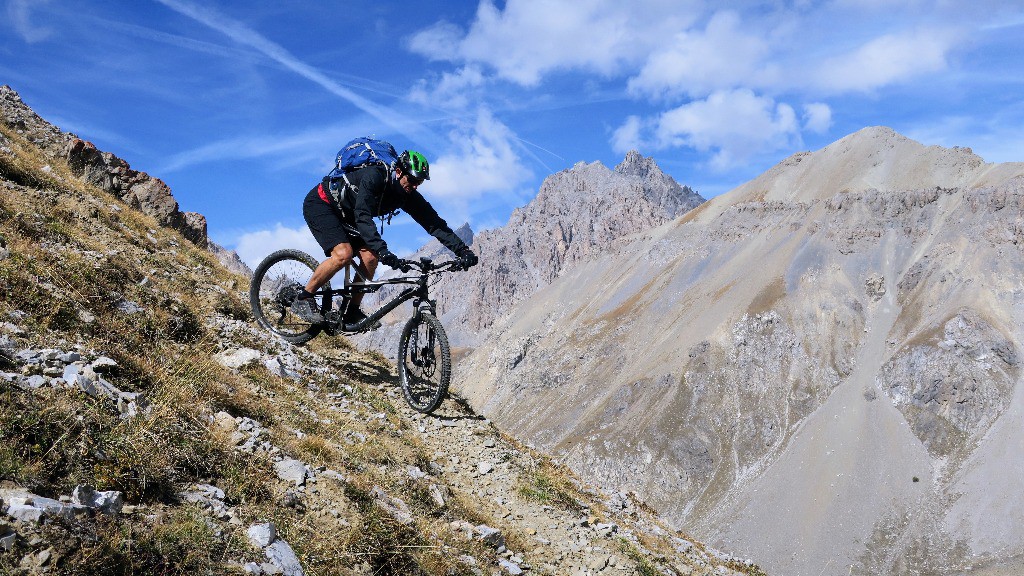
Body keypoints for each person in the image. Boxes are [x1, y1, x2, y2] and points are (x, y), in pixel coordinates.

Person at [292, 149, 478, 327]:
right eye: (412, 180)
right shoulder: (375, 176)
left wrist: (462, 250)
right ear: (398, 171)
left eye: (419, 183)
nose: (414, 186)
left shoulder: (408, 195)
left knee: (371, 259)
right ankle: (304, 297)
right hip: (323, 204)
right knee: (343, 254)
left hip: (349, 213)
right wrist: (383, 249)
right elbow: (363, 215)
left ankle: (352, 312)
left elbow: (434, 223)